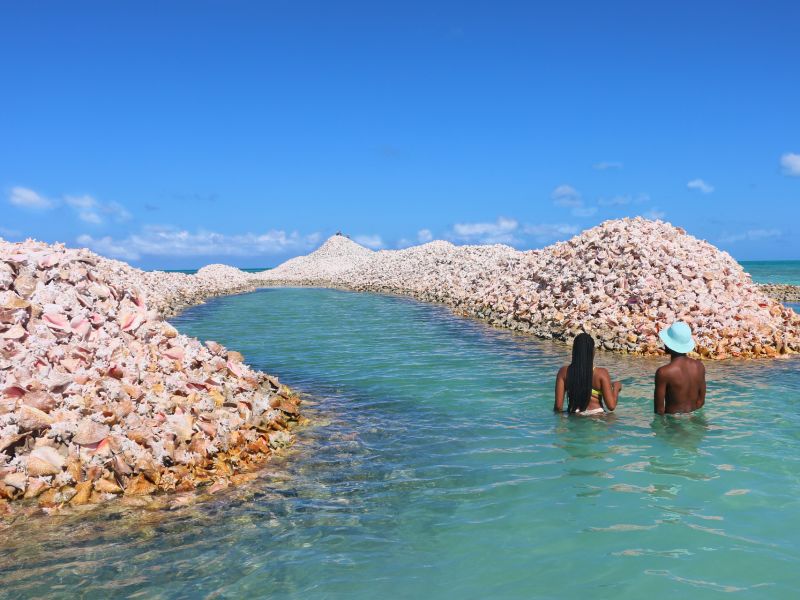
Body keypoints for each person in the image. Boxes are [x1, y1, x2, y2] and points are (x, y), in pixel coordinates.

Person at [554, 333, 622, 415]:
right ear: (592, 351)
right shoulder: (601, 373)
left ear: (574, 351)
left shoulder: (563, 372)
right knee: (612, 418)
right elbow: (611, 406)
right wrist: (616, 388)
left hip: (574, 416)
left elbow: (558, 407)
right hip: (597, 417)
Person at [654, 321, 706, 414]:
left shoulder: (663, 372)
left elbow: (659, 410)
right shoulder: (699, 366)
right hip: (694, 418)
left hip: (673, 421)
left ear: (669, 344)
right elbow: (701, 402)